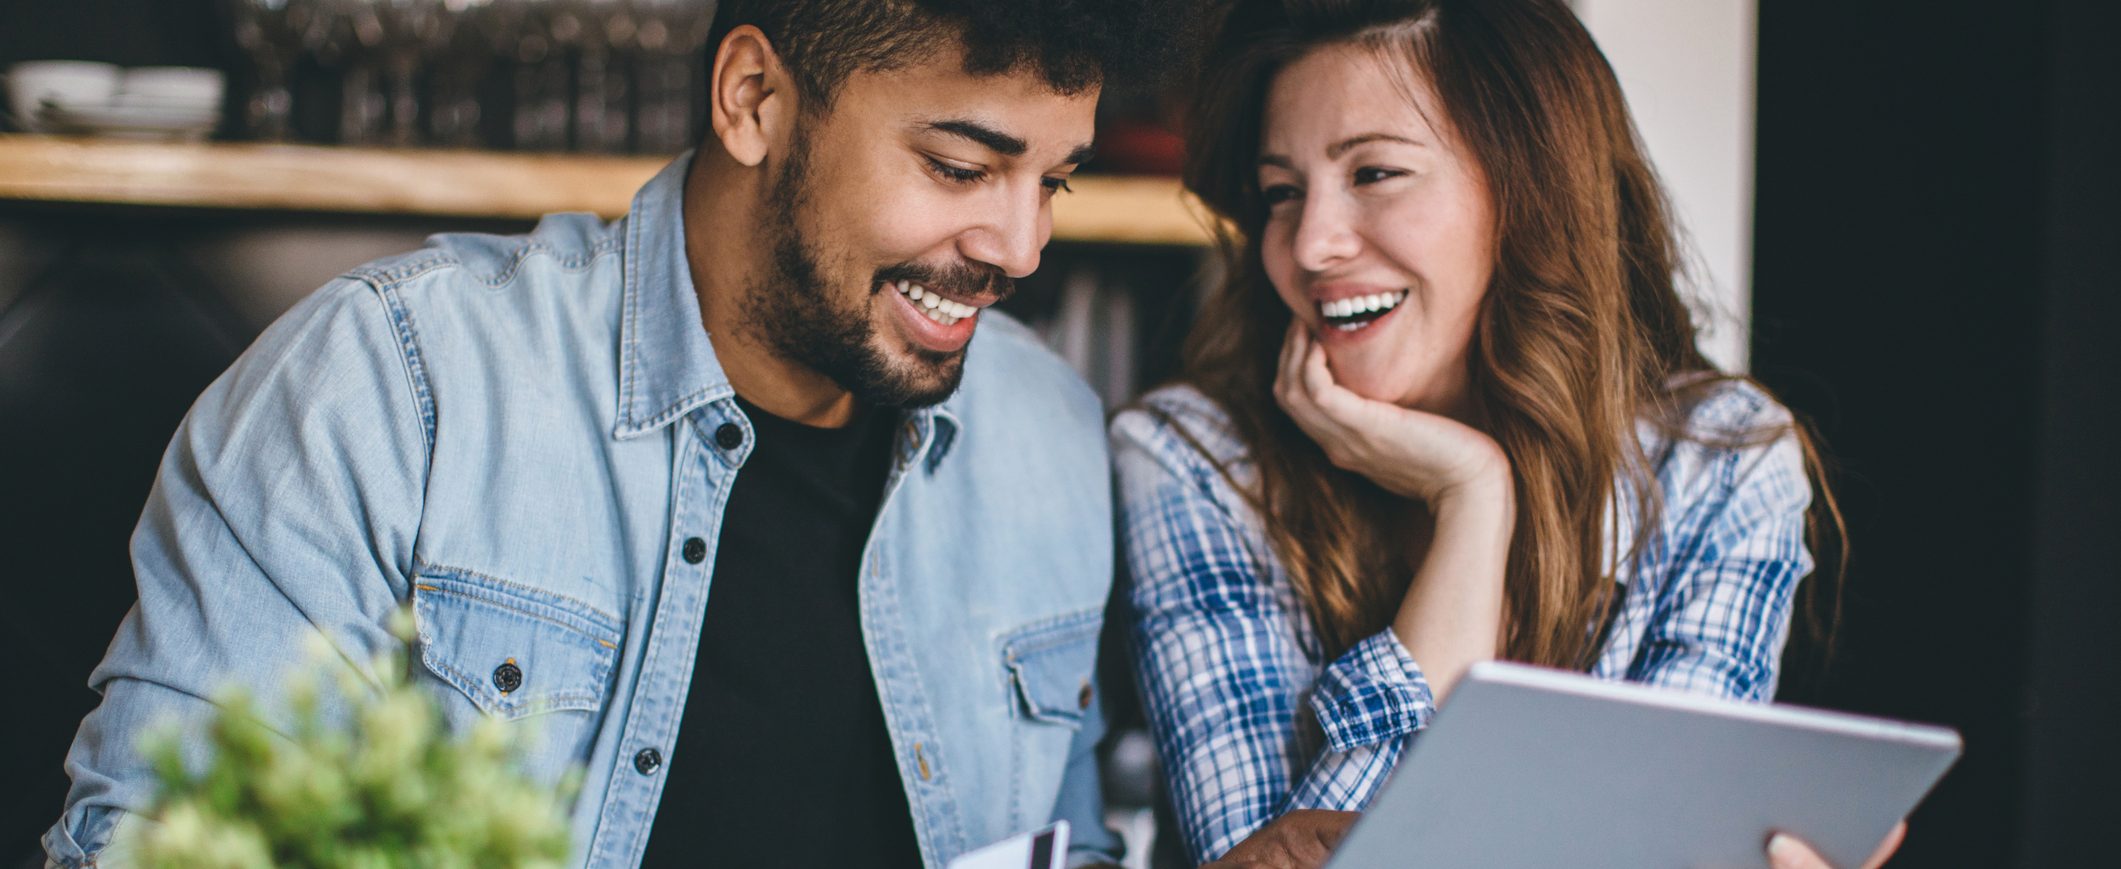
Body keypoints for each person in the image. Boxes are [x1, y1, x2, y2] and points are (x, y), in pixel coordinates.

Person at [43, 1, 1187, 867]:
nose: (1023, 247)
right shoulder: (391, 382)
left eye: (1057, 183)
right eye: (962, 168)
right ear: (753, 100)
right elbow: (157, 837)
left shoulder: (1049, 428)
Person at [1112, 1, 1901, 867]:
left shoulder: (1719, 462)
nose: (1310, 244)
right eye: (1280, 193)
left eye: (1373, 173)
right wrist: (1471, 502)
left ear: (1528, 186)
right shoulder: (1192, 456)